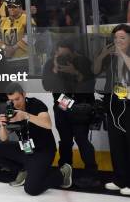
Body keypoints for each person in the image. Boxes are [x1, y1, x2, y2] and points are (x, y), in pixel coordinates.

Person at [0, 82, 72, 195]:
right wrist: (2, 126)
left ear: (24, 94)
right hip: (26, 149)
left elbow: (48, 124)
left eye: (17, 99)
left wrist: (25, 115)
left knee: (32, 189)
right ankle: (24, 169)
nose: (15, 103)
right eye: (11, 100)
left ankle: (62, 173)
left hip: (43, 151)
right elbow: (3, 138)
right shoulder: (10, 109)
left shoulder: (36, 104)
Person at [42, 39, 99, 188]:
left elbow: (89, 86)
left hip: (81, 107)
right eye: (60, 55)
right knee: (65, 141)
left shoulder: (83, 62)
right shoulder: (51, 64)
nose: (63, 58)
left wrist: (75, 73)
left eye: (66, 55)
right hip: (61, 106)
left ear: (73, 53)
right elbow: (47, 86)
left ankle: (92, 174)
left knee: (82, 139)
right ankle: (65, 171)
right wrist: (55, 69)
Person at [93, 24, 130, 195]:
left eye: (122, 38)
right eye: (116, 38)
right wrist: (102, 55)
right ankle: (120, 178)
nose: (118, 41)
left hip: (128, 105)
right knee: (116, 144)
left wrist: (122, 53)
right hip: (114, 103)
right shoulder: (111, 56)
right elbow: (95, 70)